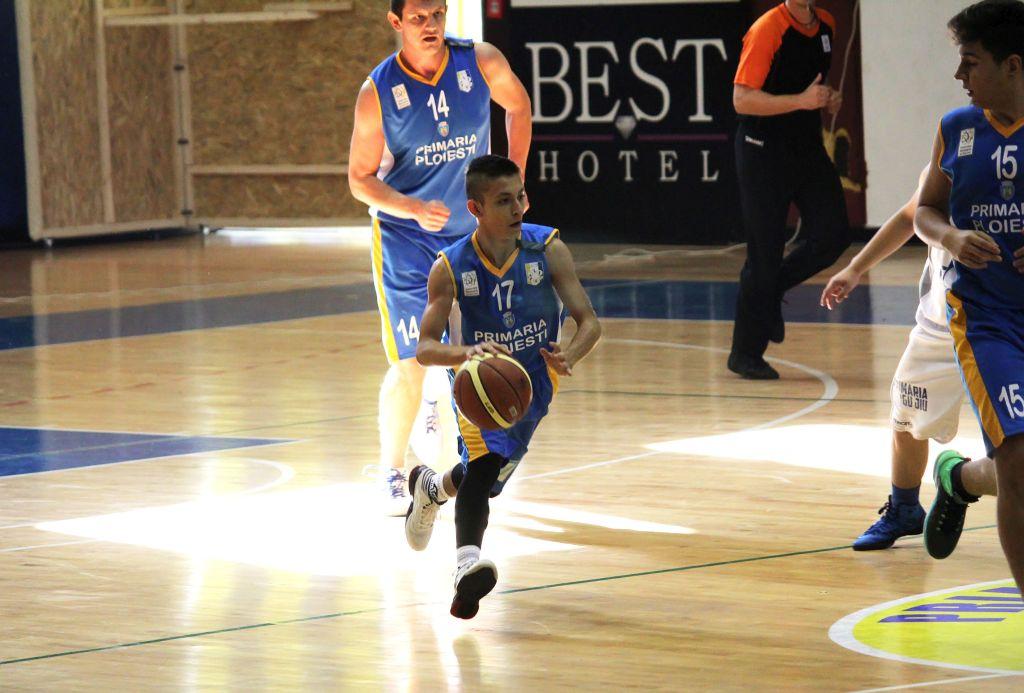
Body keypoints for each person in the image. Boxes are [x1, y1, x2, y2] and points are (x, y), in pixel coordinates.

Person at [348, 0, 531, 513]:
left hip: (468, 239)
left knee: (478, 356)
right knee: (410, 360)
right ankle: (391, 471)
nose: (430, 26)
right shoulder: (377, 92)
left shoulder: (481, 61)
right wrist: (411, 207)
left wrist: (513, 183)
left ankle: (464, 452)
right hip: (406, 240)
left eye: (437, 15)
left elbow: (519, 107)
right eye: (418, 18)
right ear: (396, 23)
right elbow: (358, 180)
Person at [406, 155, 602, 619]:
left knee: (487, 480)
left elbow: (590, 322)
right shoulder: (450, 267)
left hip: (533, 382)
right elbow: (425, 348)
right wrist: (466, 354)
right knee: (484, 463)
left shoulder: (548, 249)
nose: (518, 208)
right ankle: (466, 566)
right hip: (477, 383)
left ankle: (432, 488)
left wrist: (570, 356)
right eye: (503, 201)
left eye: (521, 196)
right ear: (475, 209)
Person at [821, 170, 994, 550]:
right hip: (941, 321)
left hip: (1004, 323)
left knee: (1011, 451)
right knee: (906, 418)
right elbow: (909, 215)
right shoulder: (952, 154)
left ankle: (961, 481)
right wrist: (856, 267)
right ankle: (904, 508)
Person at [916, 0, 1024, 590]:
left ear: (1013, 65)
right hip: (986, 318)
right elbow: (925, 211)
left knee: (1016, 469)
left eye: (971, 61)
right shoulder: (957, 128)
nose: (959, 74)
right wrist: (950, 237)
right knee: (1020, 462)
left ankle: (957, 480)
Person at [729, 0, 851, 379]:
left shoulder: (826, 24)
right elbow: (741, 99)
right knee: (764, 254)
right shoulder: (768, 29)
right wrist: (801, 101)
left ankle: (769, 293)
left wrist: (827, 97)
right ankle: (745, 354)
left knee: (833, 234)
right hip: (762, 152)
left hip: (805, 148)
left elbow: (807, 84)